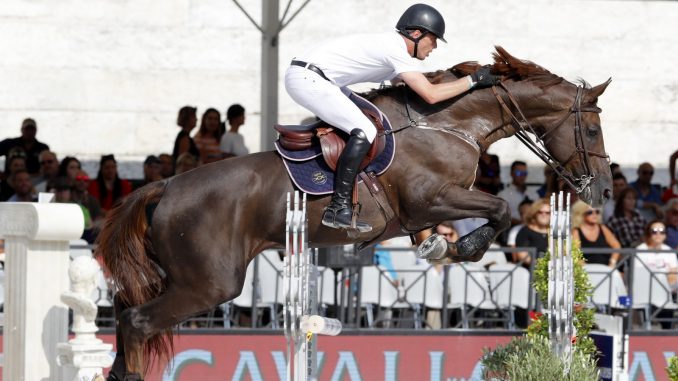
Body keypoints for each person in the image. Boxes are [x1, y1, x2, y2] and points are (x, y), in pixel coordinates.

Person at [284, 3, 499, 232]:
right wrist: (473, 81)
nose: (434, 46)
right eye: (433, 39)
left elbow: (414, 84)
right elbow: (431, 94)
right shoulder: (394, 48)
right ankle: (338, 208)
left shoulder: (393, 48)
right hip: (308, 79)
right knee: (365, 130)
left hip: (320, 78)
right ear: (416, 34)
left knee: (371, 118)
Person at [571, 200, 621, 267]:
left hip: (606, 269)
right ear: (581, 214)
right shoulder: (576, 231)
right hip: (587, 271)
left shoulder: (602, 228)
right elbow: (575, 253)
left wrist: (612, 262)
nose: (594, 215)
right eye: (590, 212)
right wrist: (584, 268)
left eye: (597, 212)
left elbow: (616, 245)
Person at [635, 220, 678, 297]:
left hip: (669, 290)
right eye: (654, 231)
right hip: (646, 290)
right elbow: (639, 275)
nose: (658, 234)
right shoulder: (640, 250)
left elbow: (674, 273)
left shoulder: (669, 251)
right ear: (649, 234)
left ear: (665, 235)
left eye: (662, 231)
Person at [497, 161, 540, 226]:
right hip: (511, 229)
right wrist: (521, 223)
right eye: (518, 173)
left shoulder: (533, 194)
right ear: (511, 174)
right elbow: (500, 216)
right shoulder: (503, 195)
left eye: (524, 173)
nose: (522, 176)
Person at [513, 198, 551, 267]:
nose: (544, 215)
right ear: (534, 213)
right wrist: (542, 265)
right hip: (530, 272)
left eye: (548, 213)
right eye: (540, 212)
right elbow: (522, 255)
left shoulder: (555, 232)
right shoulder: (525, 231)